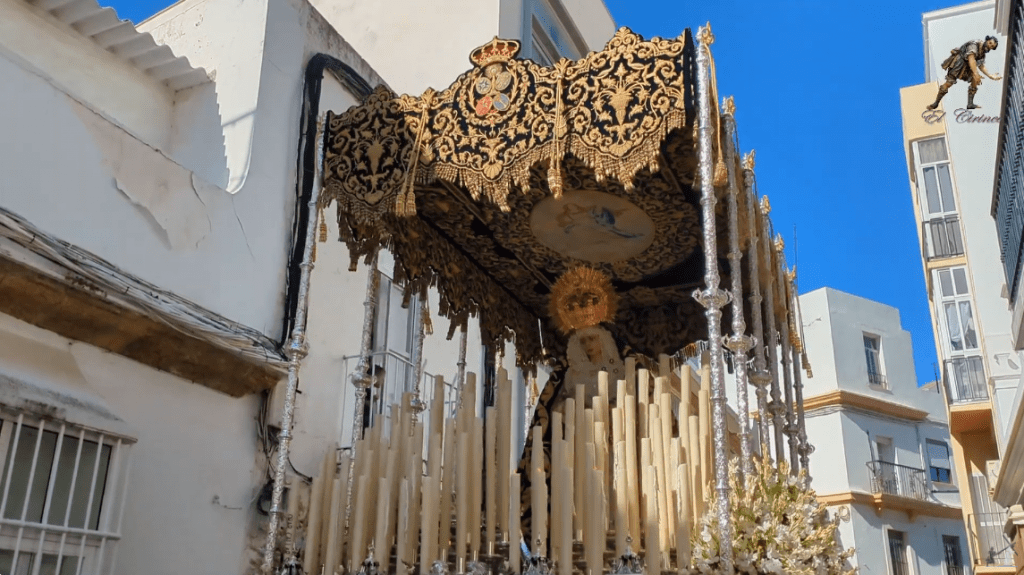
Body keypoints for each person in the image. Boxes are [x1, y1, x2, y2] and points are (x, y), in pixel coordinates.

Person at [927, 36, 1002, 110]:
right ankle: (936, 103)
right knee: (949, 83)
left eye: (992, 46)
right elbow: (971, 58)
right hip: (959, 63)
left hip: (968, 67)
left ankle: (970, 104)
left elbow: (981, 65)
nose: (990, 46)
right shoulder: (975, 44)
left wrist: (990, 76)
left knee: (975, 80)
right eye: (990, 43)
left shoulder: (982, 53)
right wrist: (976, 74)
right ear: (987, 40)